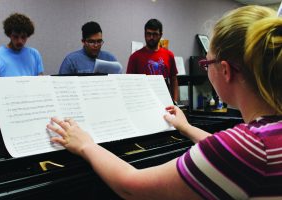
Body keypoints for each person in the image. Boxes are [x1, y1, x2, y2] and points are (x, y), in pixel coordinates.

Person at [47, 5, 282, 200]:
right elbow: (231, 152)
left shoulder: (248, 147)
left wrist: (86, 145)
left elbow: (131, 186)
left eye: (205, 64)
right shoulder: (263, 138)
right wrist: (186, 127)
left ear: (225, 71)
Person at [126, 19, 179, 102]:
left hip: (165, 101)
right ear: (144, 34)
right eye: (148, 34)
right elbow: (129, 83)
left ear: (160, 35)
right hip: (144, 102)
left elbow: (174, 80)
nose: (151, 37)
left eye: (155, 34)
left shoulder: (169, 55)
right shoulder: (135, 57)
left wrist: (175, 102)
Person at [0, 13, 44, 78]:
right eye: (15, 37)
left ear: (28, 36)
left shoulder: (34, 54)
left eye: (23, 37)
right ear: (9, 35)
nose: (19, 41)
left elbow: (40, 78)